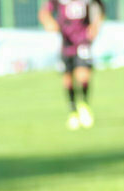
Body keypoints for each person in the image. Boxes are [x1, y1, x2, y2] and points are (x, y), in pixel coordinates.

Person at [39, 0, 105, 129]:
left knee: (83, 75)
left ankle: (84, 104)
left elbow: (101, 8)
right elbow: (44, 12)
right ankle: (73, 110)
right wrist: (49, 22)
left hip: (83, 41)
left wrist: (95, 26)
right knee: (68, 78)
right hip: (65, 43)